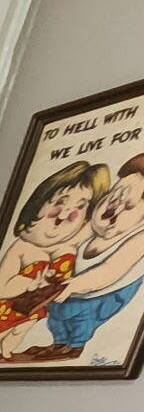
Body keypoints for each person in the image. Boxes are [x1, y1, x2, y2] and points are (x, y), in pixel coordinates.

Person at [0, 159, 106, 361]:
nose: (64, 214)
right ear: (39, 203)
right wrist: (29, 283)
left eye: (79, 208)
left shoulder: (69, 243)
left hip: (36, 307)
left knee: (19, 332)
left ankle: (7, 353)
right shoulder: (21, 247)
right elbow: (3, 289)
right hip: (7, 306)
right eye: (60, 202)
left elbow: (101, 218)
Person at [35, 153, 144, 361]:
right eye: (113, 196)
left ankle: (75, 345)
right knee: (56, 309)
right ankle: (58, 343)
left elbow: (111, 270)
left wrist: (77, 283)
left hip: (107, 291)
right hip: (74, 285)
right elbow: (70, 243)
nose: (113, 207)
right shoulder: (97, 226)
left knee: (82, 313)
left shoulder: (139, 238)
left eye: (128, 205)